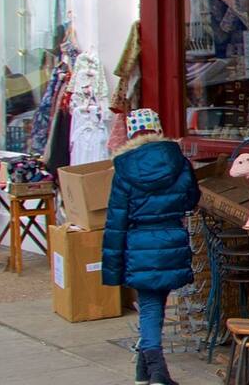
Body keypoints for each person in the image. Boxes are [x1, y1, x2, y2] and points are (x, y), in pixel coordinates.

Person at [102, 109, 201, 385]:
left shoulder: (124, 167)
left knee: (149, 305)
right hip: (171, 238)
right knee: (155, 303)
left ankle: (157, 372)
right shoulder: (178, 161)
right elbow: (191, 198)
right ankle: (144, 372)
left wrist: (112, 267)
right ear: (158, 129)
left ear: (132, 133)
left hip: (139, 242)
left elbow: (116, 219)